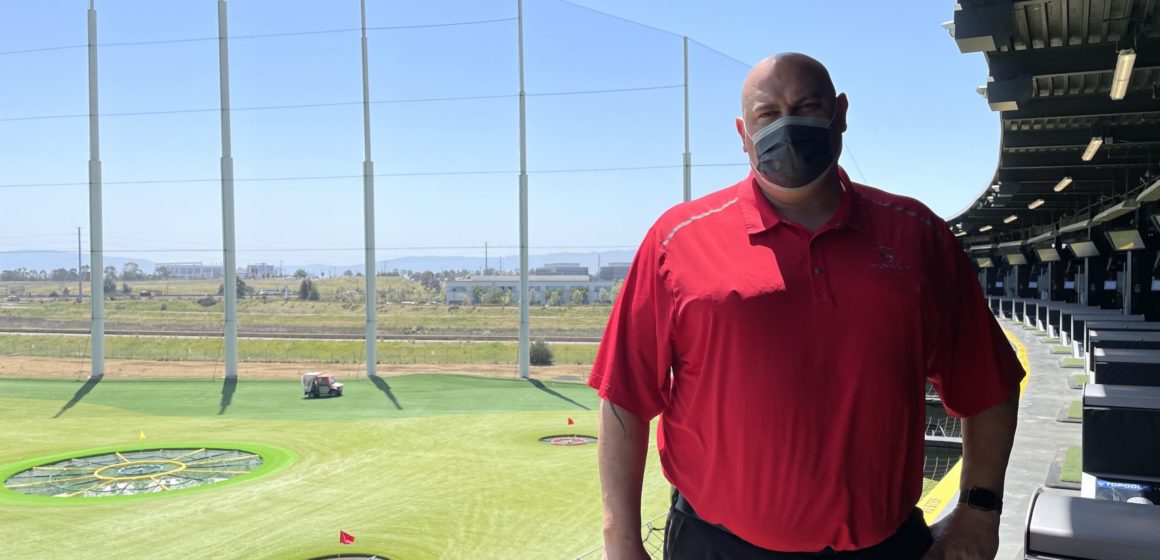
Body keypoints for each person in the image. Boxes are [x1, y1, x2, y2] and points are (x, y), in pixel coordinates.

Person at [589, 53, 1024, 560]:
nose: (788, 125)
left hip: (883, 548)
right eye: (767, 114)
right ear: (742, 131)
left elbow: (988, 381)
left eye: (806, 106)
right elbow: (623, 396)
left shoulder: (916, 234)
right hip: (716, 546)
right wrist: (619, 541)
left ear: (840, 114)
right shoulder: (677, 240)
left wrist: (978, 510)